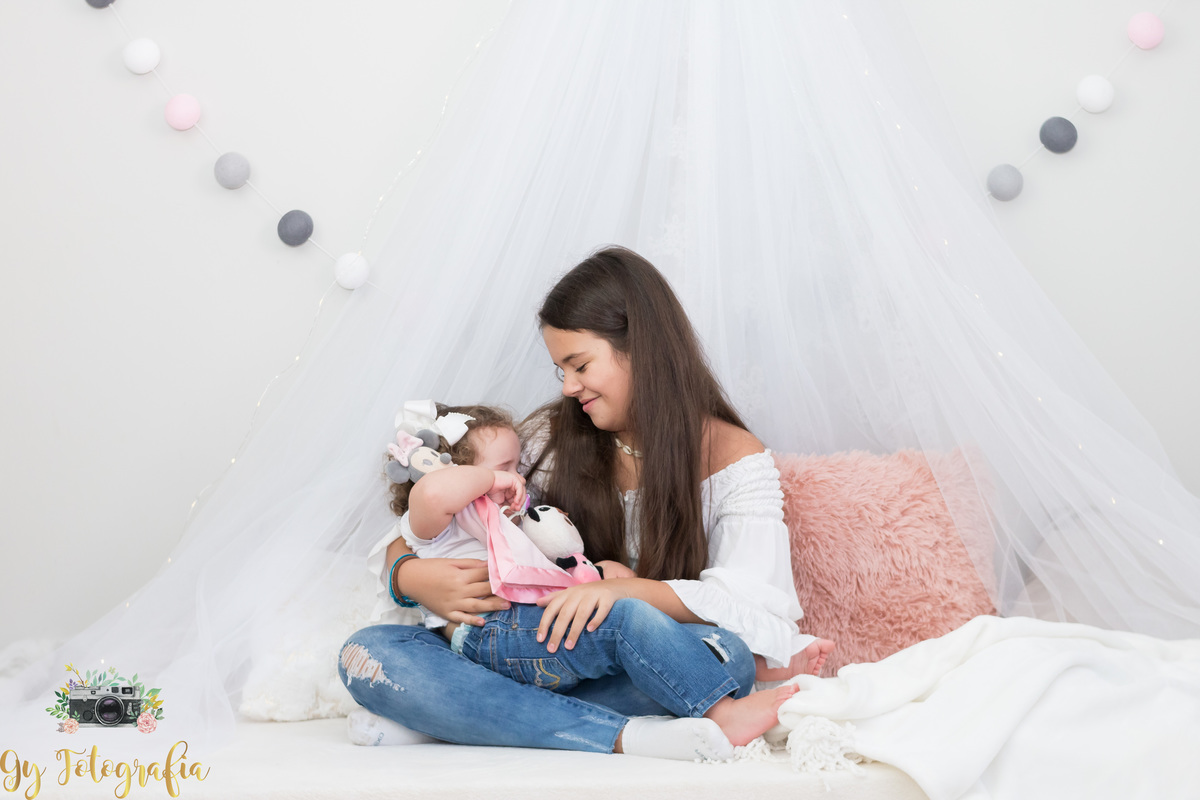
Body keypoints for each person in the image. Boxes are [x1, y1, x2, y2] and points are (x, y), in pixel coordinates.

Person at [338, 245, 834, 760]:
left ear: (642, 346)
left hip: (617, 663)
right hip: (512, 649)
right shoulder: (546, 440)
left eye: (579, 365)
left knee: (727, 658)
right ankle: (626, 734)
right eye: (560, 370)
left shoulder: (734, 458)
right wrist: (410, 578)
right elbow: (428, 524)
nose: (570, 387)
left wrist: (626, 593)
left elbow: (754, 610)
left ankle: (459, 716)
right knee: (368, 653)